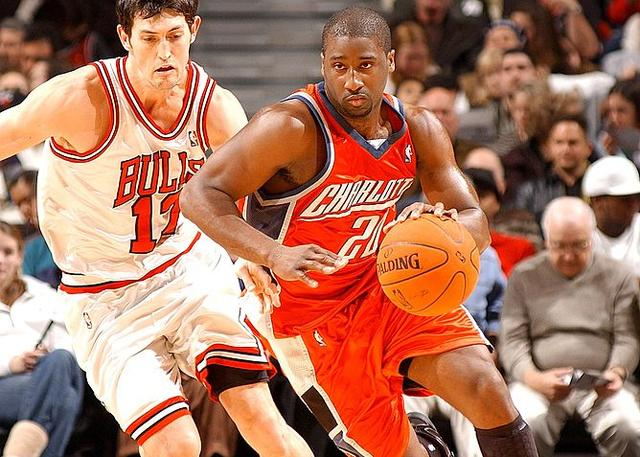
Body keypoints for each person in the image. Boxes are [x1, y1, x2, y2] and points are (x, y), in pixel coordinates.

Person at [181, 6, 539, 457]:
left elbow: (475, 221)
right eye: (339, 67)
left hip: (389, 286)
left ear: (390, 61)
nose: (352, 81)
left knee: (486, 387)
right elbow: (198, 195)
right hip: (310, 317)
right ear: (323, 65)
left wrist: (439, 225)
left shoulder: (419, 127)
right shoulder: (289, 126)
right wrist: (271, 253)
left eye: (365, 65)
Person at [0, 1, 313, 456]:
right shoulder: (80, 97)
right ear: (125, 37)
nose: (164, 52)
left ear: (194, 30)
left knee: (260, 416)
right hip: (103, 294)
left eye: (174, 36)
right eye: (149, 38)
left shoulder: (215, 107)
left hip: (188, 272)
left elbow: (253, 196)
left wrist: (253, 255)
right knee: (176, 442)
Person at [500, 196, 640, 456]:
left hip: (602, 382)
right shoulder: (524, 276)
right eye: (559, 246)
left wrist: (617, 371)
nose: (568, 255)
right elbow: (512, 341)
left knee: (628, 427)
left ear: (592, 238)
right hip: (538, 380)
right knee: (525, 427)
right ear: (546, 240)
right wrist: (533, 378)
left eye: (578, 245)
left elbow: (627, 337)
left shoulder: (618, 275)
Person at [0, 221, 84, 457]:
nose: (1, 260)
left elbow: (71, 341)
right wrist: (13, 363)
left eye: (8, 252)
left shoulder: (44, 294)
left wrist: (46, 355)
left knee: (61, 359)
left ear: (20, 257)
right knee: (65, 400)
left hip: (46, 372)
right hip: (5, 384)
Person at [582, 156, 640, 276]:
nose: (634, 205)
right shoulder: (579, 235)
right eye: (625, 199)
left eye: (636, 198)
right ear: (598, 201)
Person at [8, 171, 61, 288]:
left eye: (27, 200)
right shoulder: (30, 250)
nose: (24, 210)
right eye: (18, 205)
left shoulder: (78, 234)